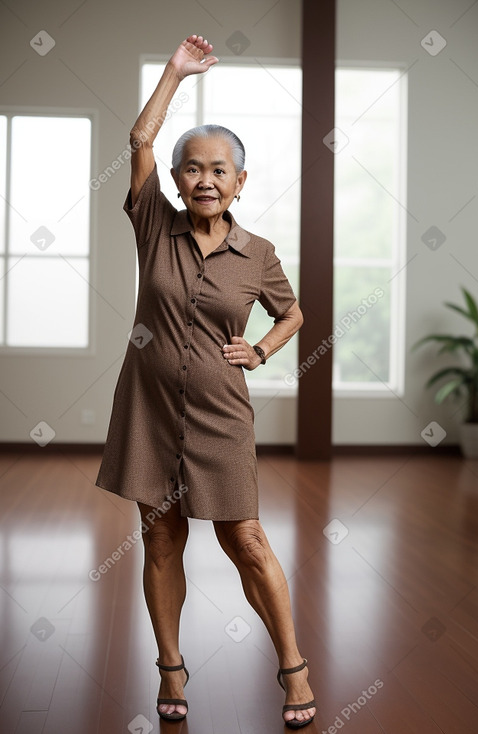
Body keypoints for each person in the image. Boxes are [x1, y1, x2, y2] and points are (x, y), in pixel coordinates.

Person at [95, 34, 316, 729]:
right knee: (160, 538)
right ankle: (170, 666)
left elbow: (295, 313)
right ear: (178, 178)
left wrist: (262, 349)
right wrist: (173, 74)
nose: (204, 180)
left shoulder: (259, 255)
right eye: (192, 169)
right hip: (149, 408)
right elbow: (138, 139)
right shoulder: (153, 223)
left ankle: (292, 666)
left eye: (219, 170)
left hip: (222, 416)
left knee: (244, 538)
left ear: (241, 183)